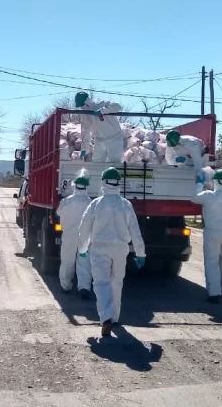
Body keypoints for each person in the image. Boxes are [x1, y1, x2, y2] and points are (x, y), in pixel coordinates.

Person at [78, 167, 146, 337]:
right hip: (121, 248)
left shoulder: (96, 204)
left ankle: (106, 317)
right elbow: (135, 230)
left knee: (101, 283)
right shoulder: (125, 204)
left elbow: (84, 227)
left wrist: (83, 248)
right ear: (118, 183)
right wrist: (140, 253)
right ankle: (115, 317)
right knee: (117, 282)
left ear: (103, 182)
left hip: (99, 248)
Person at [191, 169, 222, 303]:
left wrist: (199, 184)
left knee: (212, 262)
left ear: (216, 182)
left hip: (212, 233)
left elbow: (194, 198)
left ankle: (214, 293)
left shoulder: (209, 195)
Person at [57, 169, 93, 299]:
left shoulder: (66, 201)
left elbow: (59, 213)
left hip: (69, 236)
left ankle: (65, 286)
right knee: (84, 262)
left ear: (74, 185)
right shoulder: (90, 203)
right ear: (87, 186)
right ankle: (84, 287)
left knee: (67, 261)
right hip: (84, 237)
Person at [75, 91, 123, 163]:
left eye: (82, 106)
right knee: (96, 163)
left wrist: (103, 111)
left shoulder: (103, 105)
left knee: (114, 163)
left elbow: (117, 106)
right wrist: (84, 149)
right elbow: (85, 132)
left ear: (86, 103)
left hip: (114, 138)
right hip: (99, 140)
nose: (81, 108)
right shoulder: (86, 115)